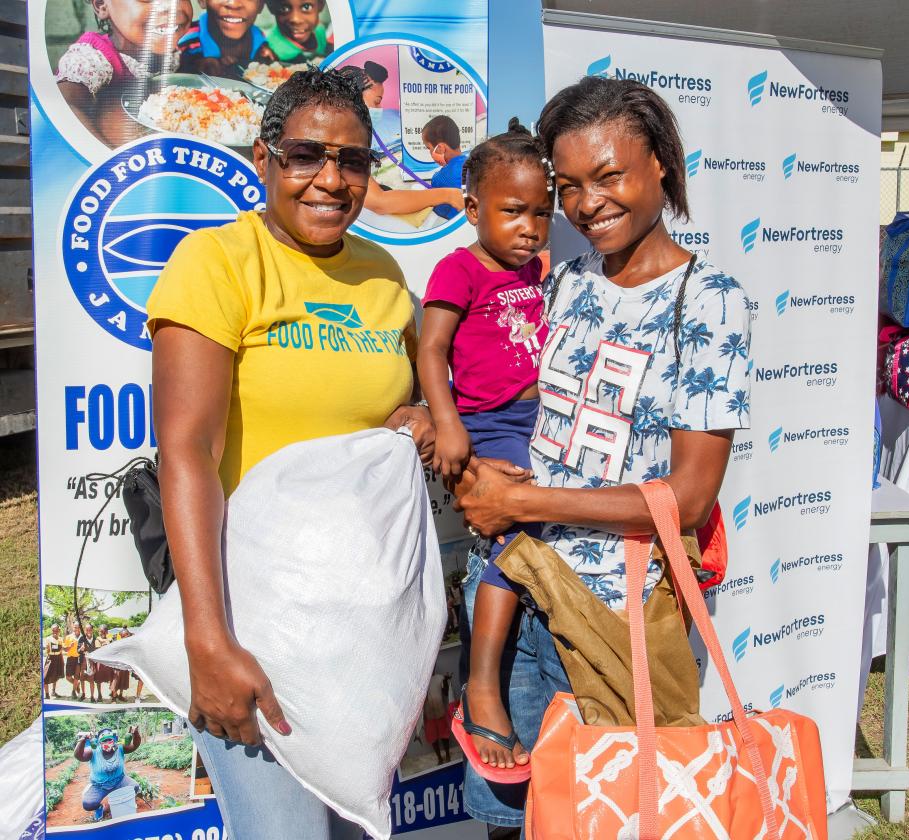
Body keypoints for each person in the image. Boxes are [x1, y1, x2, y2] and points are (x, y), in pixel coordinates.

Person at [453, 77, 752, 827]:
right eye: (571, 185)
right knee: (510, 818)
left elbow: (687, 498)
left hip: (609, 617)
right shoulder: (563, 280)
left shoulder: (710, 300)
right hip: (511, 592)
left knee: (607, 818)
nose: (588, 204)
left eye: (609, 176)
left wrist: (520, 501)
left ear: (661, 164)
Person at [146, 68, 435, 840]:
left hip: (358, 635)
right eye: (307, 154)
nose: (331, 180)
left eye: (353, 161)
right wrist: (208, 640)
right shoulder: (217, 263)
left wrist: (413, 414)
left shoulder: (383, 273)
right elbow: (187, 451)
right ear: (262, 158)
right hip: (251, 623)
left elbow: (394, 401)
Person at [417, 120, 552, 779]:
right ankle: (482, 684)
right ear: (472, 208)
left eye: (542, 212)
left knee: (544, 536)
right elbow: (431, 349)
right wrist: (448, 426)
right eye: (513, 211)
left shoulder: (537, 270)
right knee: (508, 545)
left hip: (540, 420)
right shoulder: (458, 268)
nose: (531, 226)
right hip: (490, 424)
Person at [55, 0, 192, 145]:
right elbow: (65, 106)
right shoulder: (92, 59)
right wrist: (109, 158)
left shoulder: (175, 51)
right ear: (101, 5)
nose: (170, 6)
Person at [337, 65, 465, 218]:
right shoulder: (342, 147)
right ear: (353, 101)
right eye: (377, 102)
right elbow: (379, 202)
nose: (380, 109)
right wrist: (447, 195)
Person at [177, 0, 275, 76]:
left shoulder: (259, 38)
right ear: (202, 0)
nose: (234, 4)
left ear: (261, 5)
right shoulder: (185, 40)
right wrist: (193, 65)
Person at [75, 726, 141, 821]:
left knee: (135, 787)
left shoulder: (120, 748)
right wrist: (82, 741)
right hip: (100, 785)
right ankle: (100, 808)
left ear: (114, 740)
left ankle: (112, 805)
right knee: (88, 804)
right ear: (99, 742)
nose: (107, 743)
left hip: (120, 780)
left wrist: (135, 734)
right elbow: (79, 756)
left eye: (110, 740)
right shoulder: (93, 751)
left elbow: (134, 746)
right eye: (104, 741)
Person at [421, 115, 467, 220]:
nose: (430, 152)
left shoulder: (440, 178)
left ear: (441, 148)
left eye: (429, 148)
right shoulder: (474, 164)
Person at [265, 0, 332, 62]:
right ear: (272, 8)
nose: (296, 19)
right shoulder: (273, 50)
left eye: (306, 7)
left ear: (321, 5)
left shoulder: (320, 32)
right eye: (284, 8)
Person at [422, 673, 452, 765]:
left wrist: (446, 681)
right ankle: (439, 758)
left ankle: (447, 755)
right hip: (428, 714)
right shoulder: (420, 681)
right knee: (433, 738)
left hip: (440, 712)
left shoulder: (439, 677)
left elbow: (446, 693)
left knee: (444, 736)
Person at [78, 623, 100, 702]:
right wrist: (81, 648)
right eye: (87, 630)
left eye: (90, 629)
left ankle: (92, 696)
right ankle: (83, 694)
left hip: (92, 663)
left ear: (92, 630)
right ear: (85, 630)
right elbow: (78, 650)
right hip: (83, 662)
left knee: (91, 680)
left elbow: (98, 650)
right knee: (82, 679)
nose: (88, 631)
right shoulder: (81, 638)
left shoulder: (96, 639)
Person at [43, 625, 65, 700]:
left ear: (59, 631)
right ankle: (47, 694)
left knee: (56, 676)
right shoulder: (48, 639)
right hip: (51, 658)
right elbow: (47, 650)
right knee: (45, 676)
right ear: (51, 630)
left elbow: (62, 649)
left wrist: (62, 660)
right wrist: (48, 649)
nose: (55, 632)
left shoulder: (61, 639)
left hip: (58, 658)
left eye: (56, 630)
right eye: (53, 630)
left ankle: (53, 691)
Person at [63, 624, 82, 699]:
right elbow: (65, 649)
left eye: (78, 627)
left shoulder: (83, 637)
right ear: (72, 627)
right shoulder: (68, 637)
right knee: (68, 677)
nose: (76, 628)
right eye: (75, 627)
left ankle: (73, 691)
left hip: (79, 658)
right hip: (70, 658)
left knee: (77, 676)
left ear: (80, 628)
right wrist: (70, 646)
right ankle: (77, 684)